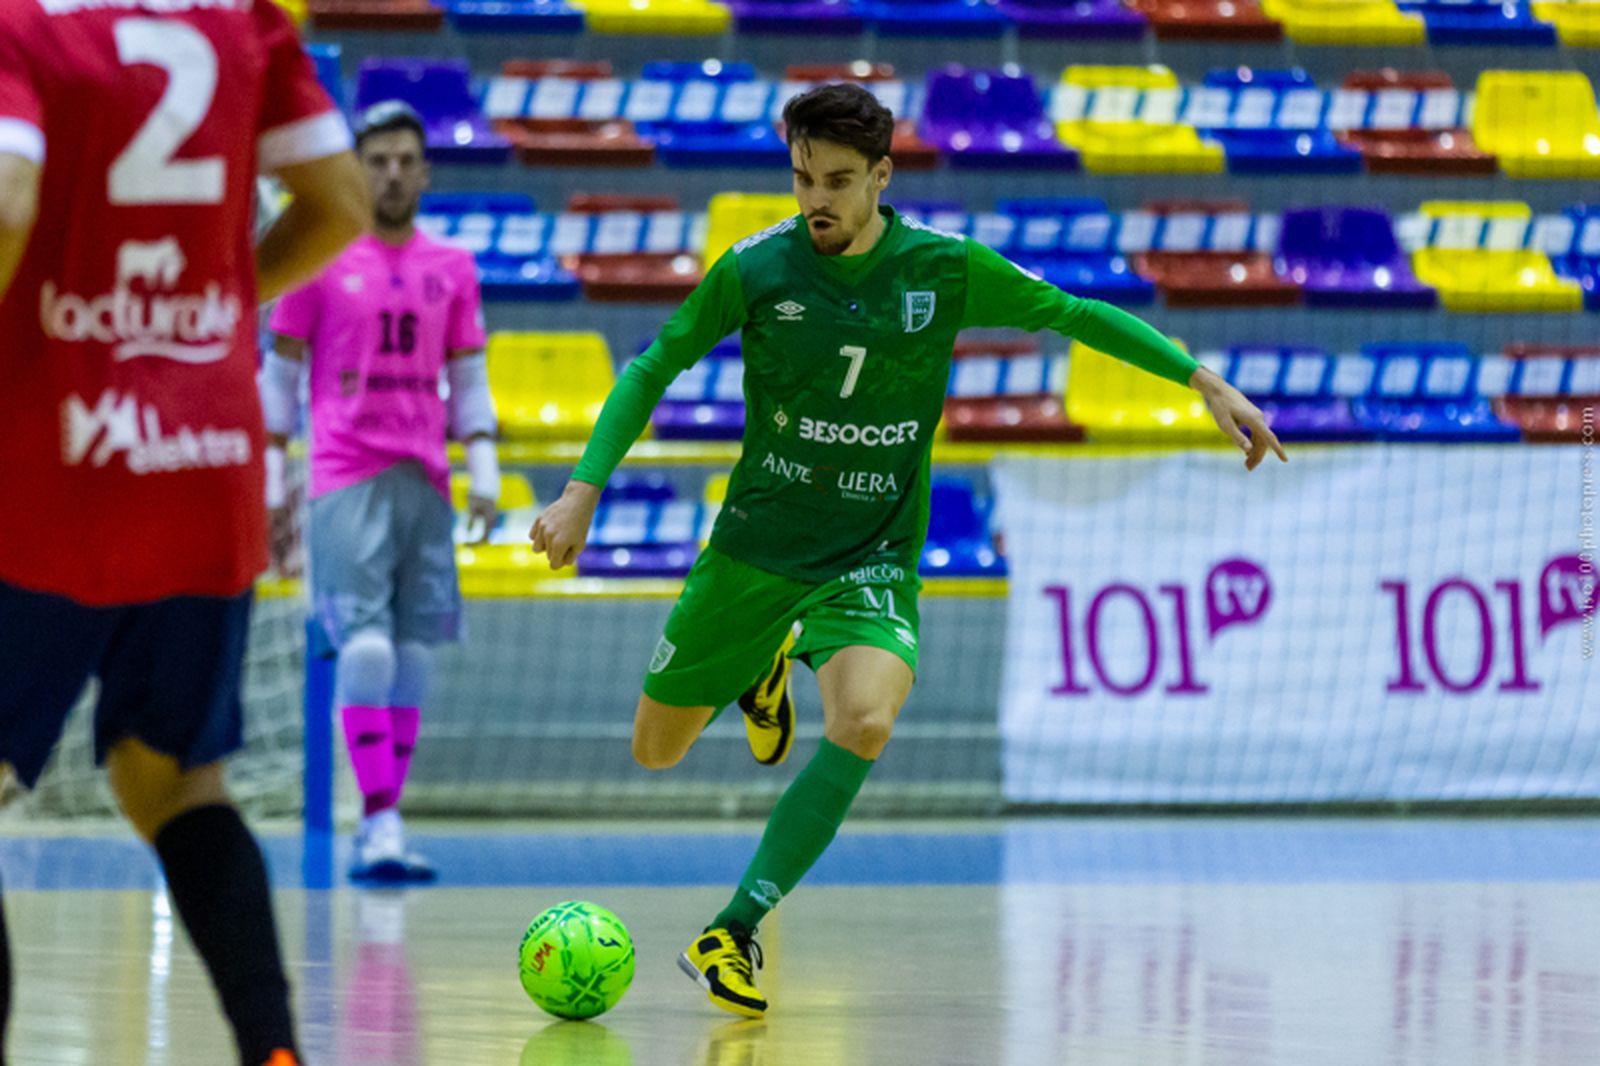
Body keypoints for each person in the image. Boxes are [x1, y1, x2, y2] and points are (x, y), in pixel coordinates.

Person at [529, 83, 1287, 1018]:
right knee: (655, 751)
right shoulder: (758, 270)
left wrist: (1199, 377)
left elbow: (1075, 313)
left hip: (872, 553)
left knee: (867, 722)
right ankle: (765, 662)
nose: (817, 200)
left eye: (840, 182)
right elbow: (655, 362)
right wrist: (581, 492)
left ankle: (735, 926)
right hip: (758, 546)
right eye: (803, 177)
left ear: (882, 178)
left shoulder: (944, 269)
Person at [0, 0, 368, 1062]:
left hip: (51, 466)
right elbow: (340, 203)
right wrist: (206, 303)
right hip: (204, 462)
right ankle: (275, 1050)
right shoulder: (241, 15)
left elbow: (11, 193)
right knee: (170, 779)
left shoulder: (24, 21)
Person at [265, 100, 499, 883]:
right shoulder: (320, 258)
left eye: (405, 160)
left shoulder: (452, 267)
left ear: (425, 171)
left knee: (413, 657)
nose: (392, 173)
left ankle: (385, 819)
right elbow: (283, 369)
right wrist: (272, 475)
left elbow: (467, 373)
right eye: (378, 161)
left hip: (426, 478)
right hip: (344, 474)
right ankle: (377, 822)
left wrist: (486, 466)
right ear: (358, 170)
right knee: (362, 648)